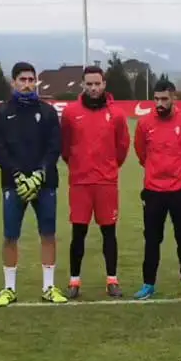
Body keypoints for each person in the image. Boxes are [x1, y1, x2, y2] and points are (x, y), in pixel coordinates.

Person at [0, 62, 65, 306]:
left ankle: (48, 286)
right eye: (22, 79)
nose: (27, 84)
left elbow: (54, 147)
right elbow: (0, 150)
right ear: (13, 82)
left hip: (45, 184)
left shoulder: (48, 112)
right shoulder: (1, 113)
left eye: (31, 79)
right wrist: (19, 176)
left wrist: (40, 174)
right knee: (10, 236)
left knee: (48, 234)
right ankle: (9, 288)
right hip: (14, 184)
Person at [60, 66, 130, 299]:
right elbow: (65, 147)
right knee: (78, 233)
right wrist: (79, 167)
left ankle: (112, 280)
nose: (93, 88)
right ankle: (74, 282)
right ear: (82, 85)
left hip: (106, 183)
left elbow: (122, 147)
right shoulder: (70, 112)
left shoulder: (117, 114)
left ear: (104, 84)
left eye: (97, 83)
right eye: (89, 84)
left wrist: (108, 167)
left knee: (108, 232)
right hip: (80, 183)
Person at [133, 79, 181, 300]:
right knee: (152, 239)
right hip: (153, 191)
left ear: (173, 97)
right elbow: (141, 153)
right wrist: (156, 171)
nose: (160, 103)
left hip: (179, 190)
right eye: (156, 99)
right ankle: (148, 284)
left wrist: (178, 172)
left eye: (164, 99)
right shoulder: (144, 124)